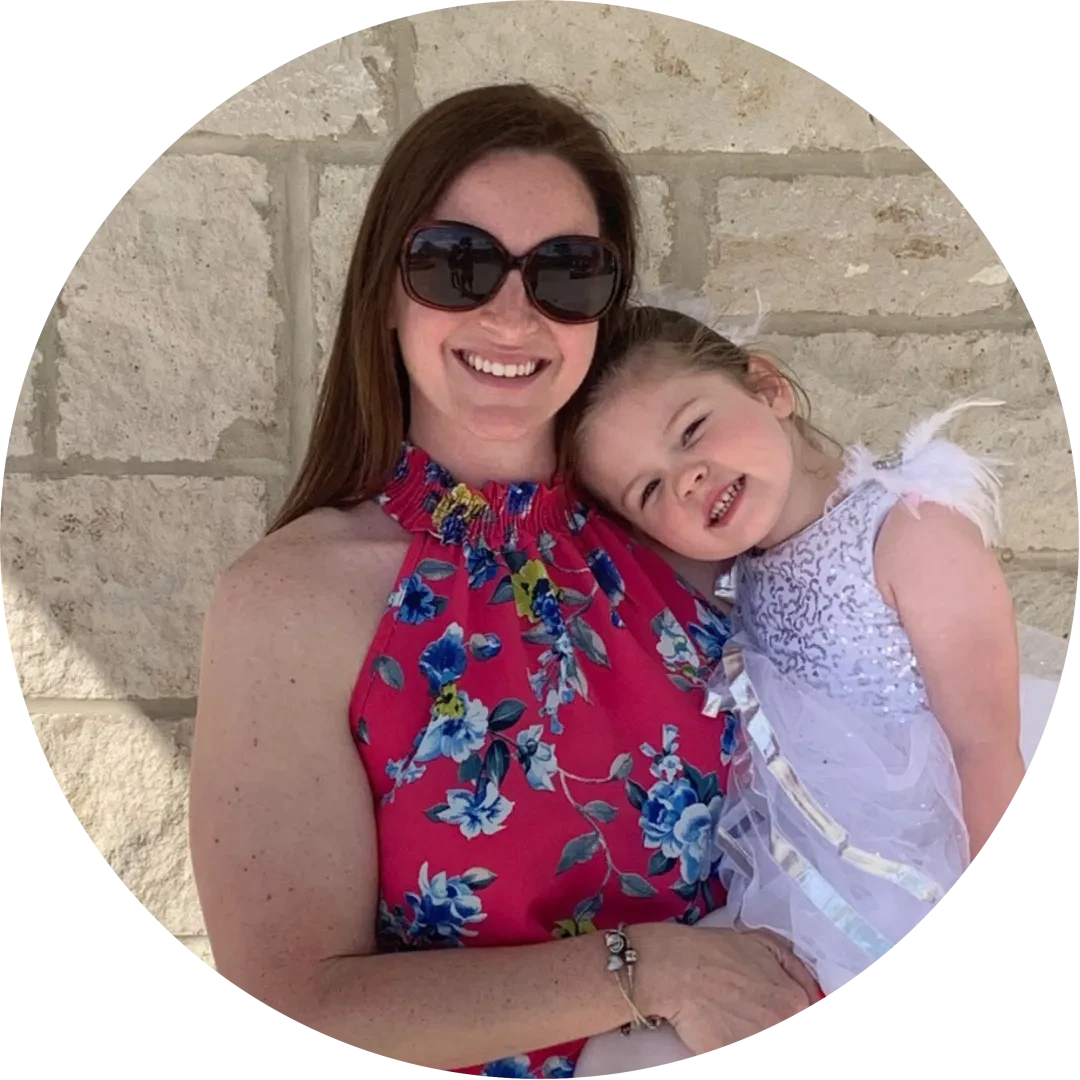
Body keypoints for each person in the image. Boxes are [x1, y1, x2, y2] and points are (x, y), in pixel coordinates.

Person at [187, 85, 820, 1078]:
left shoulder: (688, 523)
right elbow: (289, 1003)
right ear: (386, 290)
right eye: (458, 263)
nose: (513, 314)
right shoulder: (293, 603)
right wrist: (652, 970)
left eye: (566, 271)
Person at [567, 303, 1057, 1076]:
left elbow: (985, 744)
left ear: (768, 387)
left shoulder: (908, 532)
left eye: (692, 430)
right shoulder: (740, 570)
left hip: (918, 876)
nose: (688, 478)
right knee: (618, 1057)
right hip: (795, 882)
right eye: (651, 489)